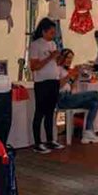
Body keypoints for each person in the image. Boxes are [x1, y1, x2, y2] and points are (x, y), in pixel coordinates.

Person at [56, 49, 98, 144]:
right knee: (94, 94)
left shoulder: (66, 71)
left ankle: (88, 132)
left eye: (71, 58)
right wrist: (70, 75)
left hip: (69, 96)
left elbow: (72, 89)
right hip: (62, 99)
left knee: (93, 103)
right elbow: (58, 86)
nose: (69, 60)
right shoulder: (57, 69)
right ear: (62, 58)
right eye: (67, 58)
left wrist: (76, 78)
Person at [29, 18, 64, 154]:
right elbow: (34, 66)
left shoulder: (53, 44)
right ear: (43, 31)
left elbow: (55, 63)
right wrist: (50, 58)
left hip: (53, 81)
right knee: (40, 112)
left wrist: (58, 57)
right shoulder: (36, 45)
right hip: (42, 82)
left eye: (54, 32)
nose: (53, 35)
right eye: (51, 32)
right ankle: (37, 143)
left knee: (50, 112)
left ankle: (50, 139)